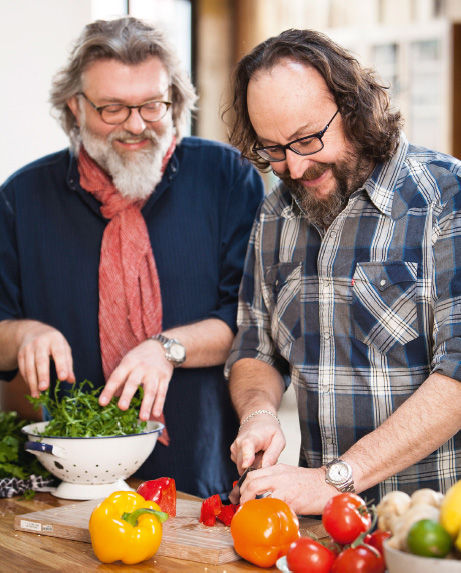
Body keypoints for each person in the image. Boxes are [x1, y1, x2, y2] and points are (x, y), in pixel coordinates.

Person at [0, 16, 264, 499]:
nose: (137, 125)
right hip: (69, 482)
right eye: (113, 109)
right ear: (75, 107)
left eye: (152, 104)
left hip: (204, 473)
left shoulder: (227, 178)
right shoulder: (22, 198)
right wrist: (23, 334)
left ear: (176, 102)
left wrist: (166, 348)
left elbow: (251, 322)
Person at [224, 28, 461, 514]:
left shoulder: (446, 197)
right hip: (322, 528)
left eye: (307, 139)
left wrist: (334, 480)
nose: (293, 167)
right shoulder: (275, 214)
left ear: (355, 109)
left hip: (430, 530)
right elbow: (254, 347)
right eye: (272, 148)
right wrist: (259, 414)